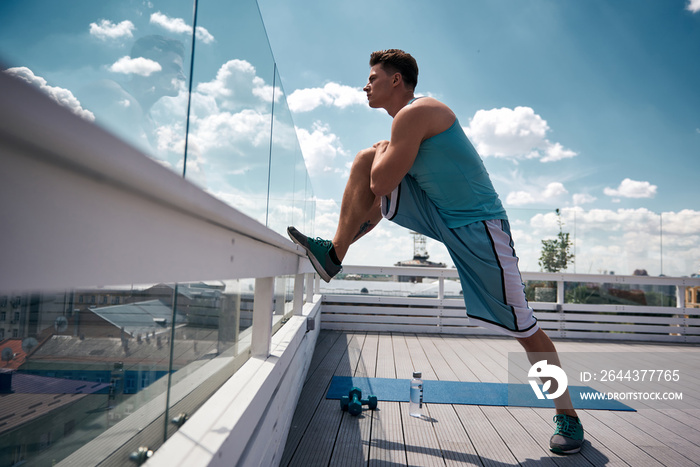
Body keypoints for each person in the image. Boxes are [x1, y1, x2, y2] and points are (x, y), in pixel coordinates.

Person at [287, 49, 584, 454]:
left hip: (480, 228)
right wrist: (382, 152)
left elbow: (380, 184)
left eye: (373, 77)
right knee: (364, 159)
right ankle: (333, 255)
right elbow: (378, 180)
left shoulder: (416, 113)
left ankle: (568, 415)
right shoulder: (403, 123)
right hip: (441, 212)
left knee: (526, 330)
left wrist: (385, 151)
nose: (365, 85)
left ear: (396, 80)